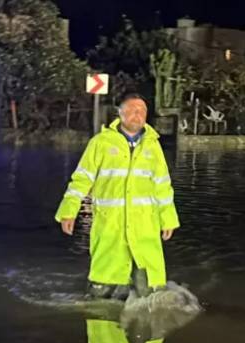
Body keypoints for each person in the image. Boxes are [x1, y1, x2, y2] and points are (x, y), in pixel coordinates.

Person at [55, 93, 179, 299]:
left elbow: (163, 186)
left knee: (149, 295)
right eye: (131, 110)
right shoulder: (101, 143)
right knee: (103, 291)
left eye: (142, 111)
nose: (137, 115)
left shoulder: (152, 145)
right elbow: (82, 179)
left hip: (144, 227)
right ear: (119, 113)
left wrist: (168, 219)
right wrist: (69, 210)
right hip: (110, 225)